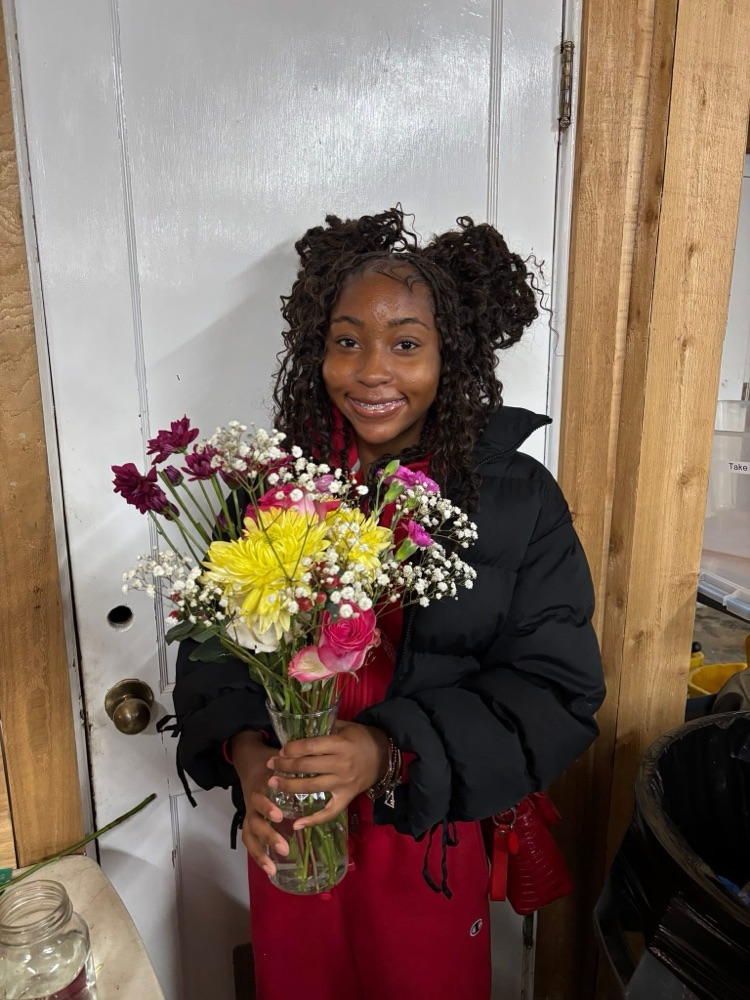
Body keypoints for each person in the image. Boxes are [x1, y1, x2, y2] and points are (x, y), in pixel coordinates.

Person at [171, 209, 605, 1000]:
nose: (373, 371)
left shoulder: (519, 500)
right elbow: (209, 660)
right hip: (291, 832)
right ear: (318, 352)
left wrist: (381, 753)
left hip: (429, 836)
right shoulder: (269, 492)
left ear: (451, 357)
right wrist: (246, 756)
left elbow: (556, 691)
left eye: (406, 344)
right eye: (347, 341)